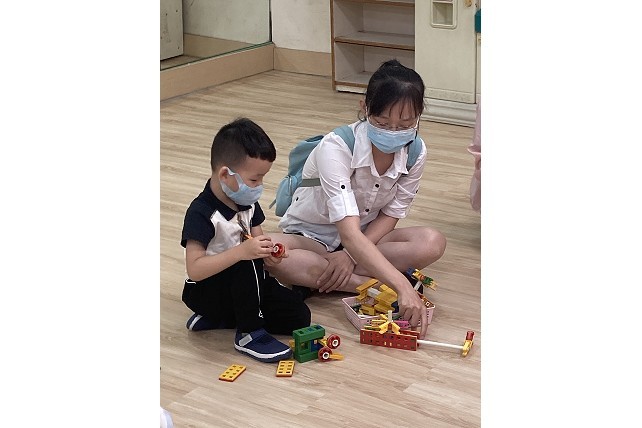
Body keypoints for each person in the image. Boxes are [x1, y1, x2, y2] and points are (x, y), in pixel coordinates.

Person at [266, 60, 446, 340]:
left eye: (406, 124)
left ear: (419, 115)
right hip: (312, 235)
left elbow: (391, 214)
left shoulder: (416, 151)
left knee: (432, 242)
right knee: (272, 255)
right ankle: (370, 285)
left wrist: (349, 255)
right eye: (382, 123)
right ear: (365, 107)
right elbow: (347, 232)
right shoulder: (336, 146)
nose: (393, 132)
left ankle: (323, 277)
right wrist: (401, 287)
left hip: (367, 235)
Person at [180, 117, 311, 363]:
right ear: (225, 174)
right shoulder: (201, 213)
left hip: (247, 287)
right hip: (206, 291)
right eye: (254, 179)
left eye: (262, 178)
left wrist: (271, 253)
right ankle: (249, 333)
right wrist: (242, 252)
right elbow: (195, 269)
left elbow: (258, 242)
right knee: (245, 260)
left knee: (299, 316)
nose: (259, 186)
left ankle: (222, 318)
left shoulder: (247, 202)